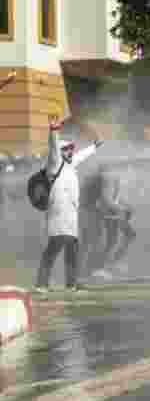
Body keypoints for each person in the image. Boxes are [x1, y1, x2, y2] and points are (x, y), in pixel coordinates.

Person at [34, 115, 102, 293]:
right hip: (58, 213)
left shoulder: (70, 165)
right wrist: (54, 131)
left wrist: (94, 146)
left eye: (72, 149)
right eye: (67, 150)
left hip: (70, 214)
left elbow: (81, 156)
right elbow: (53, 148)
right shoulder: (55, 164)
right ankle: (42, 284)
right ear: (61, 151)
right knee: (54, 246)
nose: (71, 152)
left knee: (71, 248)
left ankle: (71, 284)